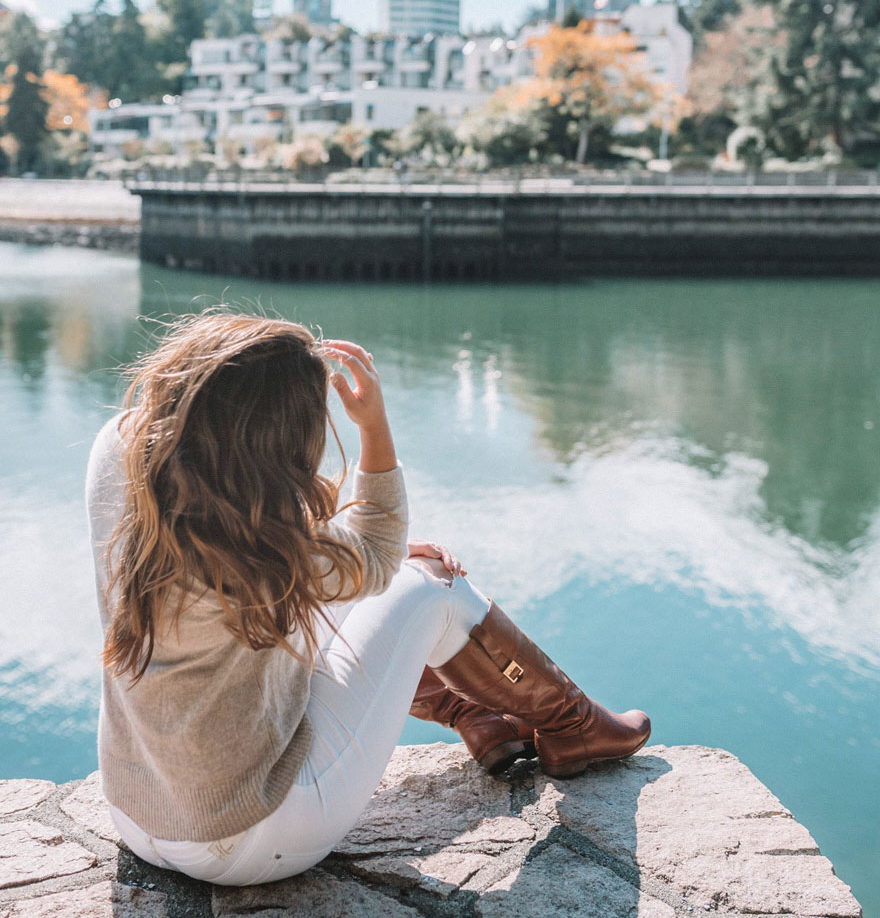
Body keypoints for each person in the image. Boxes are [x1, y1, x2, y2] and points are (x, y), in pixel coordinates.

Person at [87, 311, 649, 886]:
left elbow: (311, 547)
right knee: (432, 584)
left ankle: (482, 719)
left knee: (382, 582)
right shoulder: (259, 546)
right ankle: (571, 724)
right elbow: (379, 553)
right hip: (252, 839)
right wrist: (374, 426)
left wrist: (355, 553)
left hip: (136, 815)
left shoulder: (121, 454)